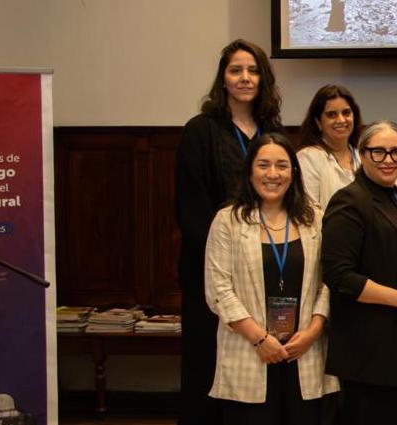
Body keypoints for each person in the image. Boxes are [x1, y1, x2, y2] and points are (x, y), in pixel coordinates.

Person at [175, 38, 284, 424]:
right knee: (208, 367)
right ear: (223, 79)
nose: (244, 78)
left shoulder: (273, 132)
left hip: (267, 270)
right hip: (214, 272)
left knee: (257, 370)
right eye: (236, 70)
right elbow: (192, 210)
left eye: (253, 70)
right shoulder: (200, 131)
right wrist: (229, 262)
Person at [204, 133, 339, 424]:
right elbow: (219, 290)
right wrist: (260, 339)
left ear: (293, 172)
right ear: (249, 171)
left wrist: (315, 330)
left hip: (304, 351)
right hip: (249, 352)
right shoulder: (228, 220)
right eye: (264, 165)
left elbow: (328, 281)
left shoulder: (314, 218)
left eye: (282, 165)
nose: (273, 174)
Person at [320, 121, 397, 424]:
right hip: (370, 349)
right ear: (362, 154)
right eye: (379, 152)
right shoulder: (350, 200)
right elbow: (338, 276)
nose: (389, 160)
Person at [296, 84, 362, 208]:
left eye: (346, 113)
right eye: (332, 115)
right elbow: (310, 212)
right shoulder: (308, 158)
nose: (341, 120)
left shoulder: (363, 156)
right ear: (318, 122)